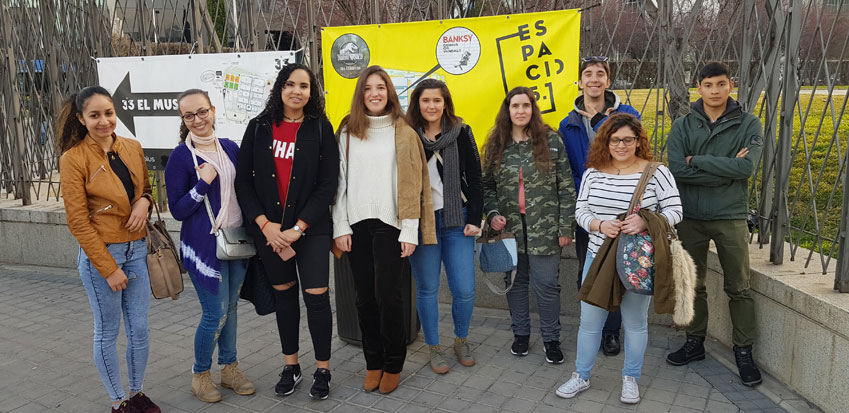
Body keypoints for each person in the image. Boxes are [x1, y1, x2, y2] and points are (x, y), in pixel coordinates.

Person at [555, 113, 682, 404]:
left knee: (635, 323)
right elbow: (580, 211)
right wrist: (599, 225)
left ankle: (630, 378)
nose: (621, 145)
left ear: (638, 141)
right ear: (606, 141)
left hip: (637, 260)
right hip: (597, 258)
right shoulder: (593, 172)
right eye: (615, 140)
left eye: (628, 139)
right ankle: (581, 375)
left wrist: (645, 222)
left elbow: (676, 210)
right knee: (590, 321)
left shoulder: (656, 172)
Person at [235, 64, 339, 399]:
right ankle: (291, 366)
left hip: (311, 229)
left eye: (304, 86)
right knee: (284, 297)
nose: (297, 91)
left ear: (311, 92)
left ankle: (323, 370)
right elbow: (243, 183)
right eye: (290, 84)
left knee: (317, 298)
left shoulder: (320, 128)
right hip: (271, 233)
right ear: (280, 88)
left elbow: (328, 185)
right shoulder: (259, 128)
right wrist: (265, 225)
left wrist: (298, 227)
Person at [332, 65, 436, 395]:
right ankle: (373, 362)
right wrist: (340, 225)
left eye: (380, 87)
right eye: (368, 88)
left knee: (389, 297)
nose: (374, 93)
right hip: (356, 225)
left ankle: (393, 363)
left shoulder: (404, 131)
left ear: (389, 92)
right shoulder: (347, 130)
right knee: (364, 299)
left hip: (392, 225)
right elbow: (339, 181)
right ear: (360, 94)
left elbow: (414, 183)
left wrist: (410, 230)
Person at [57, 86, 161, 413]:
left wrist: (145, 202)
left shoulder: (132, 147)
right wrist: (108, 268)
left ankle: (137, 393)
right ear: (81, 119)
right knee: (107, 331)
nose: (104, 121)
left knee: (139, 329)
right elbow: (77, 222)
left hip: (137, 251)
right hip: (103, 256)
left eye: (109, 113)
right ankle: (118, 401)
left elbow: (146, 189)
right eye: (95, 115)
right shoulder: (73, 159)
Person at [665, 61, 764, 386]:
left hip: (730, 216)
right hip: (690, 216)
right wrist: (725, 170)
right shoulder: (683, 125)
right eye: (708, 85)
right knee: (693, 283)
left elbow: (745, 169)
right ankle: (695, 342)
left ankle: (744, 351)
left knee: (739, 286)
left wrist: (699, 161)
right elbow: (678, 169)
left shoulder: (749, 123)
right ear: (699, 88)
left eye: (721, 84)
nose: (715, 91)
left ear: (730, 85)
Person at [164, 89, 255, 403]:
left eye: (202, 112)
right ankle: (200, 375)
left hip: (236, 242)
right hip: (203, 249)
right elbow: (178, 210)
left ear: (213, 110)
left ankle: (229, 369)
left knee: (231, 310)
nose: (197, 119)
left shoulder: (230, 147)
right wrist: (202, 183)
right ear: (183, 119)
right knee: (215, 313)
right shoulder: (180, 157)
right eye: (189, 115)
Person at [482, 86, 576, 364]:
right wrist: (493, 214)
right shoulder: (497, 144)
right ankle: (521, 334)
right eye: (515, 106)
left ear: (533, 109)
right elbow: (487, 186)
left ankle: (551, 339)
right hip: (510, 230)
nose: (521, 111)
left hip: (545, 229)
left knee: (546, 285)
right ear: (507, 110)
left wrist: (565, 228)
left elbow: (566, 187)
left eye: (526, 105)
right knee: (515, 282)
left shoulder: (551, 141)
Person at [558, 56, 641, 357]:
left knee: (617, 270)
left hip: (621, 209)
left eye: (600, 74)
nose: (594, 79)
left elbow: (638, 154)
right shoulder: (568, 122)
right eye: (588, 74)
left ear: (608, 80)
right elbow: (567, 169)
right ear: (580, 81)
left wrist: (599, 120)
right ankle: (591, 328)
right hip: (588, 212)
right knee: (589, 270)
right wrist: (582, 201)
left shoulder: (628, 114)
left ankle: (611, 333)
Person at [405, 79, 483, 374]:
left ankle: (461, 340)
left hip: (457, 220)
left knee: (464, 289)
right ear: (417, 103)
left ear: (445, 103)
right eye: (426, 100)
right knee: (428, 289)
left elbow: (475, 178)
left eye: (437, 100)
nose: (431, 106)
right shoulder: (408, 135)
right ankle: (434, 347)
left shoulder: (461, 132)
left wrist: (475, 218)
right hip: (422, 221)